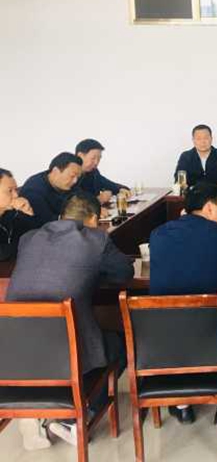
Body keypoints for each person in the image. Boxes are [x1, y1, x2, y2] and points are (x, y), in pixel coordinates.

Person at [6, 192, 133, 449]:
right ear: (94, 219)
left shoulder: (29, 238)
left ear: (61, 216)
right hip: (64, 349)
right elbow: (124, 272)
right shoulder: (96, 239)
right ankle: (73, 420)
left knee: (50, 344)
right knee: (120, 346)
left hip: (14, 352)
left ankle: (33, 410)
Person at [148, 182, 217, 426]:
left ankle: (181, 405)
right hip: (209, 339)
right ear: (209, 207)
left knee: (182, 330)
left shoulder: (158, 234)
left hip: (162, 342)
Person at [20, 152, 83, 228]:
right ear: (55, 171)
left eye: (77, 177)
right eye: (72, 176)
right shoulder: (33, 191)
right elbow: (48, 222)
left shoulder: (70, 184)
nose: (75, 181)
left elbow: (82, 199)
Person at [174, 124, 217, 190]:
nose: (203, 142)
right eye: (198, 139)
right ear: (193, 140)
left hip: (216, 193)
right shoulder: (185, 156)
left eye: (206, 138)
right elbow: (179, 177)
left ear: (211, 139)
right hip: (192, 193)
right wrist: (183, 185)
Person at [75, 139, 130, 205]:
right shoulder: (70, 176)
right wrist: (97, 200)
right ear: (80, 156)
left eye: (99, 159)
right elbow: (72, 205)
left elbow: (109, 185)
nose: (96, 162)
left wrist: (121, 189)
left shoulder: (93, 172)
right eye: (93, 158)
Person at [0, 169, 35, 261]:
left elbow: (34, 238)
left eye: (15, 190)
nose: (16, 195)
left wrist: (28, 212)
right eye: (10, 190)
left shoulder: (13, 214)